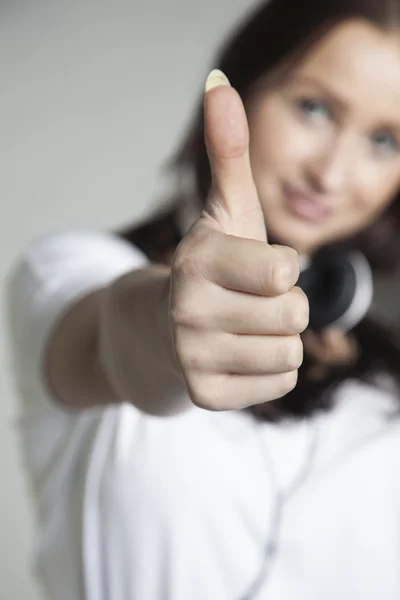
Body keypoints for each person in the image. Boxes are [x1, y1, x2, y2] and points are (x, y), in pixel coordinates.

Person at [6, 0, 400, 598]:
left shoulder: (388, 374)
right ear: (243, 88)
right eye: (313, 108)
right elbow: (113, 337)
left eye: (383, 140)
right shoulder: (70, 268)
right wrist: (170, 324)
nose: (333, 173)